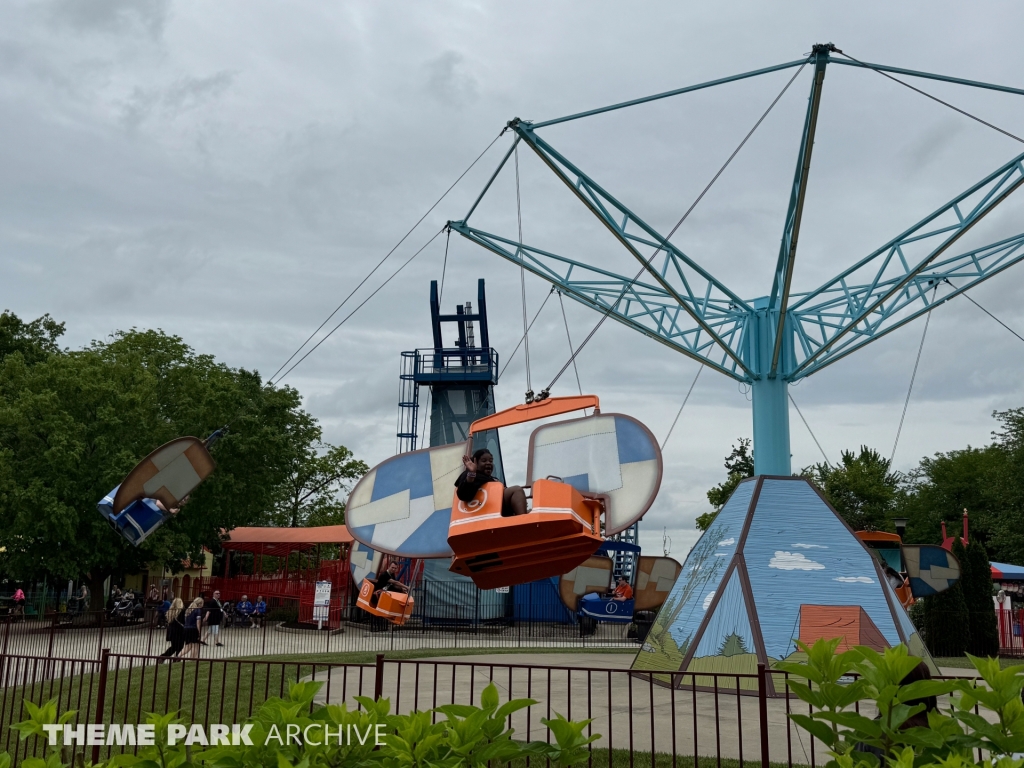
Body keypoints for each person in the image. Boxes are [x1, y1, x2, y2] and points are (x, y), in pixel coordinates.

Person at [455, 449, 527, 517]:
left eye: (491, 461)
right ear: (475, 462)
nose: (488, 463)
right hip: (482, 512)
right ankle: (523, 520)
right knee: (516, 490)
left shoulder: (493, 479)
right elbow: (464, 494)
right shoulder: (469, 475)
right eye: (484, 461)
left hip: (500, 510)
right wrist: (472, 473)